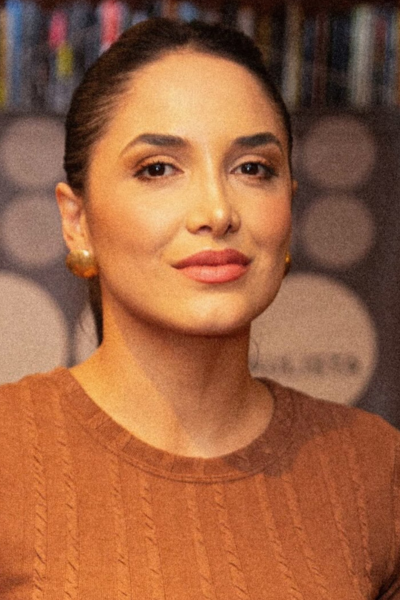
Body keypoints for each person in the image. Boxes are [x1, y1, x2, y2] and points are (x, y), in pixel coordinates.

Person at [0, 17, 399, 600]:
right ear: (77, 220)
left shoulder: (376, 470)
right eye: (158, 169)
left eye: (253, 169)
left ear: (289, 206)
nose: (216, 211)